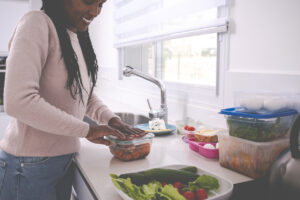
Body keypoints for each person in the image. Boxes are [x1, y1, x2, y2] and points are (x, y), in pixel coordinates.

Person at [0, 0, 146, 199]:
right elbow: (19, 101)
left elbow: (81, 93)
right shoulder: (36, 23)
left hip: (63, 160)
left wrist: (112, 119)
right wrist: (87, 130)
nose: (95, 12)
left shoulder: (75, 35)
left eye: (101, 4)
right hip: (28, 165)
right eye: (88, 1)